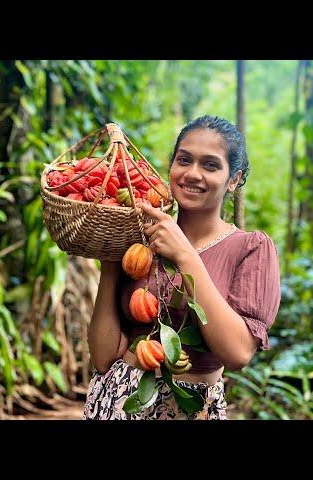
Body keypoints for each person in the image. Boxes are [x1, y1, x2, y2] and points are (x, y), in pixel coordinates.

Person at [83, 115, 281, 420]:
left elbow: (238, 353)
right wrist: (110, 261)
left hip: (190, 408)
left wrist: (186, 255)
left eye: (211, 165)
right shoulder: (140, 241)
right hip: (118, 401)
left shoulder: (251, 248)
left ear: (234, 180)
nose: (192, 174)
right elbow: (102, 356)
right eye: (184, 160)